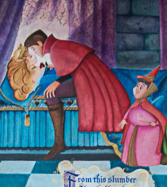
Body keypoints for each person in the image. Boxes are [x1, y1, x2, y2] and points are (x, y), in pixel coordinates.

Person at [8, 30, 130, 161]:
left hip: (88, 81)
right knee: (50, 92)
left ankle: (58, 143)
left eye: (34, 49)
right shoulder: (55, 48)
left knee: (51, 93)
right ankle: (58, 143)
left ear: (39, 43)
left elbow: (73, 66)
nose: (35, 53)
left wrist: (57, 82)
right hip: (84, 79)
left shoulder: (56, 47)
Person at [119, 66, 167, 168]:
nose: (137, 89)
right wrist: (124, 119)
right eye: (137, 86)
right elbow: (130, 111)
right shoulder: (137, 103)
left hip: (146, 135)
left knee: (141, 150)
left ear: (148, 91)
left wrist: (151, 123)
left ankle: (146, 162)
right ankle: (130, 161)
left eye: (141, 87)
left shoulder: (148, 106)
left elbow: (158, 120)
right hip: (133, 130)